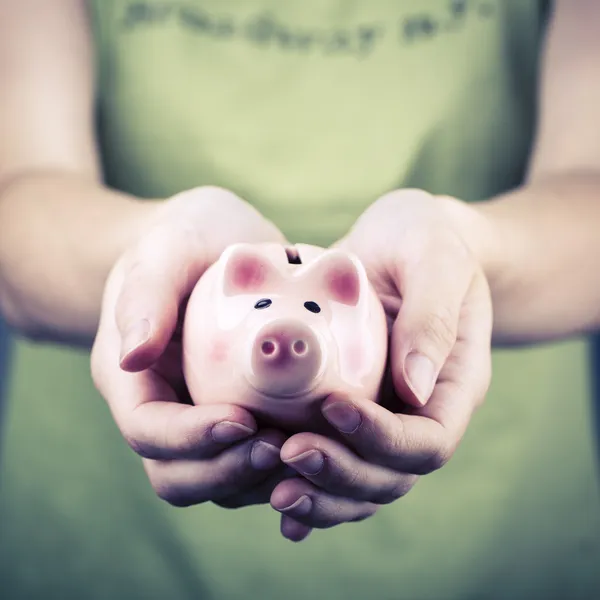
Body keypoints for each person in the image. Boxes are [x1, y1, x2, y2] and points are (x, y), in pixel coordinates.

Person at [1, 0, 599, 598]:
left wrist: (469, 253)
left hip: (496, 540)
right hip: (104, 539)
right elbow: (16, 204)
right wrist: (144, 265)